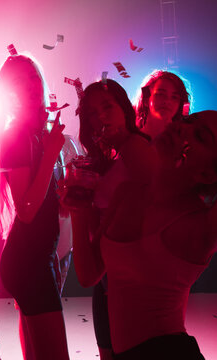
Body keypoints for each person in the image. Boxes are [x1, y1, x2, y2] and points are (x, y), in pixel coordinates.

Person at [69, 110, 217, 359]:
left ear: (206, 175)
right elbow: (88, 274)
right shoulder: (127, 193)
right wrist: (78, 210)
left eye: (200, 136)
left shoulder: (201, 225)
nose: (183, 128)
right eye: (188, 121)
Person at [66, 79, 154, 360]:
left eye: (107, 106)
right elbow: (91, 258)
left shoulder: (137, 146)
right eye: (92, 112)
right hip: (107, 282)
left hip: (134, 285)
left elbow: (156, 203)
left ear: (125, 109)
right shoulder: (106, 161)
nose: (101, 116)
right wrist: (77, 202)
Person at [0, 53, 69, 360]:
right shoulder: (16, 136)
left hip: (38, 257)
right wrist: (51, 155)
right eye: (19, 81)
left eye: (33, 77)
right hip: (26, 262)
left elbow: (44, 201)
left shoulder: (37, 133)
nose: (30, 85)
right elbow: (25, 210)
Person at [134, 70, 190, 138]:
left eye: (174, 97)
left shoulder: (185, 144)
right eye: (160, 94)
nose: (167, 101)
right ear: (146, 99)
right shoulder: (129, 143)